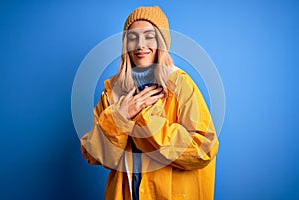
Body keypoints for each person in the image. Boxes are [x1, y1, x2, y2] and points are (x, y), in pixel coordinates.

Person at [81, 5, 219, 200]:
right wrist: (120, 118)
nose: (140, 45)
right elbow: (93, 154)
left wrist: (145, 122)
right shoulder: (112, 91)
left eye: (149, 36)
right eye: (132, 37)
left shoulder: (181, 85)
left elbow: (204, 149)